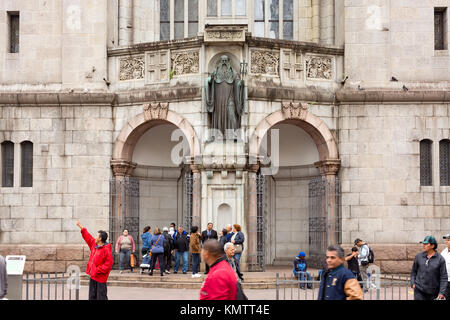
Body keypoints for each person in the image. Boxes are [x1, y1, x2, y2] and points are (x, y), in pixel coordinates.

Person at [76, 220, 113, 300]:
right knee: (92, 297)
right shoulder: (94, 245)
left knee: (101, 297)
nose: (95, 237)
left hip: (100, 279)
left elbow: (108, 264)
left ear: (100, 238)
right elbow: (88, 237)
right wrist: (81, 227)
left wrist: (97, 270)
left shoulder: (106, 250)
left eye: (97, 236)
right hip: (93, 277)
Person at [410, 236, 447, 300]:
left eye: (426, 244)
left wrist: (441, 292)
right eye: (423, 244)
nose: (423, 245)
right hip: (419, 290)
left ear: (432, 246)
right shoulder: (418, 257)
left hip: (434, 292)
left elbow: (443, 277)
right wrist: (413, 283)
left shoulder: (440, 259)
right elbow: (413, 271)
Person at [441, 233, 450, 300]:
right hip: (446, 281)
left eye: (448, 240)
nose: (446, 241)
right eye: (446, 240)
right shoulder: (444, 252)